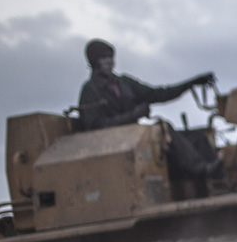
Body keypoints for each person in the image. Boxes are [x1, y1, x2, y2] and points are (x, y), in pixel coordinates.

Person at [78, 38, 223, 180]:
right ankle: (202, 169)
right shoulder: (90, 91)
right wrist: (133, 115)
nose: (110, 61)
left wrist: (192, 82)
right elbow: (96, 125)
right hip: (118, 144)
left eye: (111, 56)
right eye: (104, 57)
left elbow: (158, 93)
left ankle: (218, 179)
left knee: (196, 137)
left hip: (138, 137)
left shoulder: (124, 83)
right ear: (94, 61)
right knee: (163, 129)